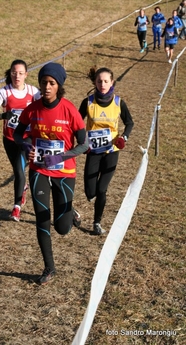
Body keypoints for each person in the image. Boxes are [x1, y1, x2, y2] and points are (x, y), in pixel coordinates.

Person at [13, 62, 88, 285]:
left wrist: (60, 157)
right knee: (42, 219)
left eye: (52, 83)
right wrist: (26, 145)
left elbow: (84, 145)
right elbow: (18, 135)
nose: (47, 87)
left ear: (59, 86)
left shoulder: (69, 110)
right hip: (39, 170)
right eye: (44, 82)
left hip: (65, 172)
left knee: (62, 228)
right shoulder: (32, 109)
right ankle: (49, 267)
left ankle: (70, 212)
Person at [78, 67, 134, 235]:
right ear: (94, 83)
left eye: (106, 81)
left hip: (112, 151)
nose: (102, 84)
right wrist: (81, 140)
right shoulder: (87, 102)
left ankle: (97, 223)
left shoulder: (118, 102)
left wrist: (123, 138)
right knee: (90, 192)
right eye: (99, 81)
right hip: (93, 152)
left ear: (112, 82)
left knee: (102, 189)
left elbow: (129, 123)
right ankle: (86, 203)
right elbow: (76, 123)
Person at [0, 60, 40, 222]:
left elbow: (43, 109)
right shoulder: (4, 92)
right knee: (18, 172)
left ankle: (16, 208)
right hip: (10, 139)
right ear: (10, 73)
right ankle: (23, 187)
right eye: (14, 73)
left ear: (26, 75)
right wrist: (3, 115)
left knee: (19, 171)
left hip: (27, 138)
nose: (17, 76)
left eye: (20, 73)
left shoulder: (33, 92)